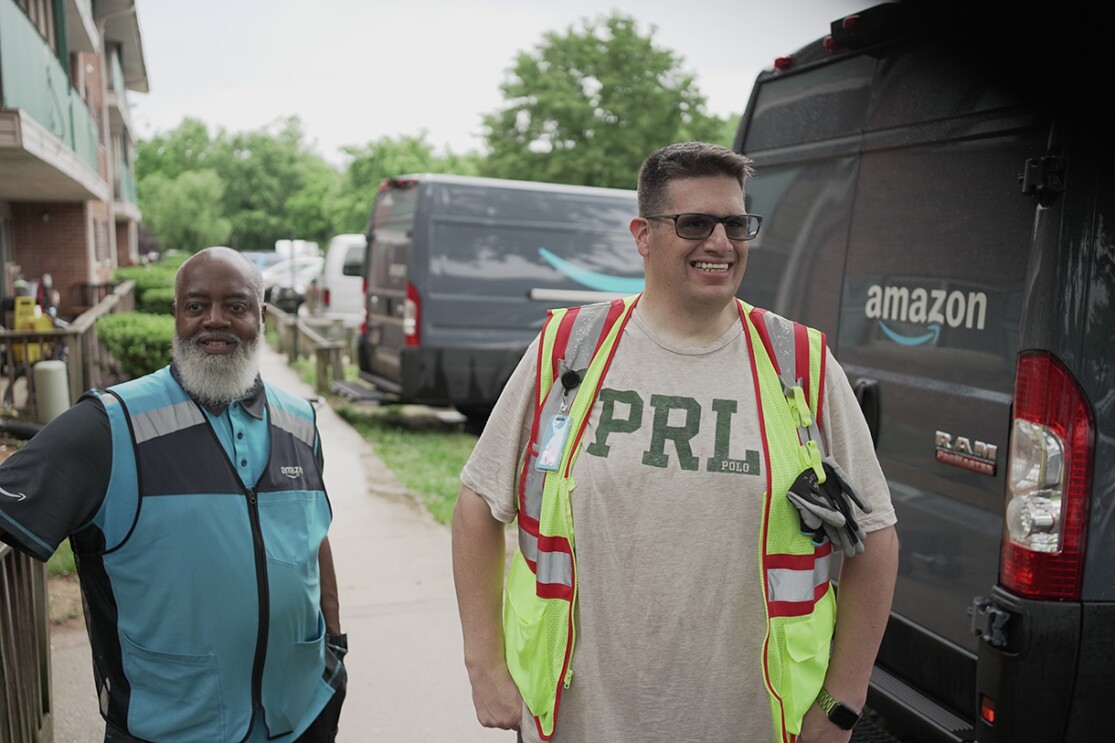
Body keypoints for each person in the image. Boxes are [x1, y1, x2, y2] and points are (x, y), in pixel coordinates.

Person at [451, 142, 899, 743]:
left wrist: (842, 700)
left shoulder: (800, 363)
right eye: (695, 223)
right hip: (578, 722)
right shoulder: (569, 350)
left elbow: (876, 537)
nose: (720, 242)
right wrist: (485, 668)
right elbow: (477, 506)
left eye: (736, 224)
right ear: (643, 234)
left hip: (756, 725)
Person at [0, 247, 347, 742]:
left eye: (236, 306)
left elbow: (314, 537)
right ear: (176, 316)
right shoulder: (112, 426)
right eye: (195, 306)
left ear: (261, 317)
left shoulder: (300, 420)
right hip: (166, 730)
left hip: (301, 716)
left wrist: (336, 644)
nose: (214, 321)